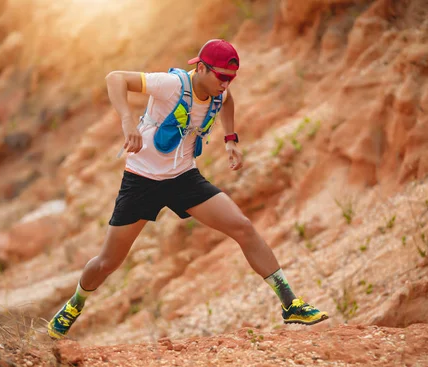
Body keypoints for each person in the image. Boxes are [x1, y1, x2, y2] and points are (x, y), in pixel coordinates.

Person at [48, 39, 328, 340]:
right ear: (202, 68)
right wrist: (128, 122)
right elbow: (115, 78)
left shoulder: (219, 91)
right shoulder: (171, 84)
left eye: (231, 78)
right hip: (142, 180)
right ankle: (75, 304)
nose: (226, 84)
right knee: (107, 263)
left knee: (243, 227)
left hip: (183, 178)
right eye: (221, 77)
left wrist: (231, 139)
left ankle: (290, 303)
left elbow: (228, 100)